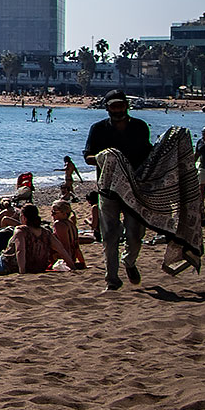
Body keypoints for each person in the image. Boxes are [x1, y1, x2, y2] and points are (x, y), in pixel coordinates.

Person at [83, 91, 153, 289]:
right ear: (107, 108)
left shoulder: (140, 127)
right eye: (113, 106)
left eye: (120, 106)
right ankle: (112, 279)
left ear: (126, 106)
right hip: (108, 191)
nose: (117, 110)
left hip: (134, 190)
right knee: (109, 235)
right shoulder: (98, 129)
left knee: (135, 234)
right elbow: (88, 157)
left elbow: (149, 155)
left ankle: (129, 261)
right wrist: (104, 157)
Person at [48, 201, 86, 269]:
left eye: (54, 212)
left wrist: (69, 264)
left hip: (63, 259)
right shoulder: (71, 224)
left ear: (64, 213)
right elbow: (77, 248)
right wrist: (82, 263)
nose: (52, 215)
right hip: (72, 257)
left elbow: (65, 246)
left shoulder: (59, 224)